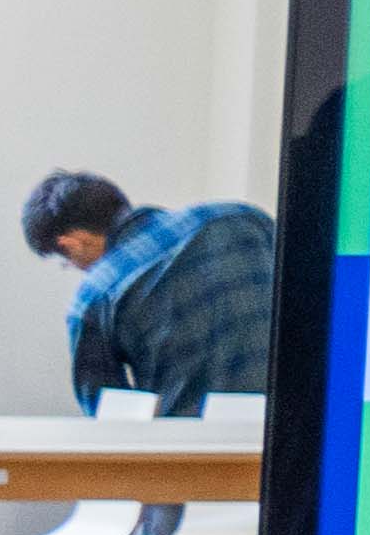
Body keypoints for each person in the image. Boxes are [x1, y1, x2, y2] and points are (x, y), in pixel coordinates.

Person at [19, 170, 279, 418]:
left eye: (67, 262)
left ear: (72, 243)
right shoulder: (243, 217)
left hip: (194, 453)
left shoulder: (95, 295)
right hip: (296, 437)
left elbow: (109, 416)